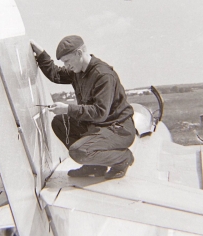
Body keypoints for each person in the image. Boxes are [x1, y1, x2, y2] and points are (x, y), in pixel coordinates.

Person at [30, 35, 136, 179]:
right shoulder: (78, 71)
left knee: (78, 152)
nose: (66, 65)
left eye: (67, 61)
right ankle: (95, 166)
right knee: (60, 123)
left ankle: (123, 159)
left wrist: (68, 109)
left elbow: (100, 113)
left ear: (79, 53)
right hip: (98, 126)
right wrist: (41, 53)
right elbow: (55, 74)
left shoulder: (103, 75)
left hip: (117, 129)